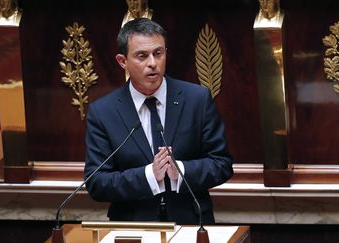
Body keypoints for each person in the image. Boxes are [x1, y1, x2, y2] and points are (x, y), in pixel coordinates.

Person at [84, 18, 233, 225]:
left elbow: (222, 164)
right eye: (142, 56)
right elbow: (97, 182)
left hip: (190, 223)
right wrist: (149, 175)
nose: (152, 63)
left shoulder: (197, 99)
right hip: (132, 226)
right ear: (122, 61)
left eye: (158, 53)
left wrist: (180, 171)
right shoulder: (103, 112)